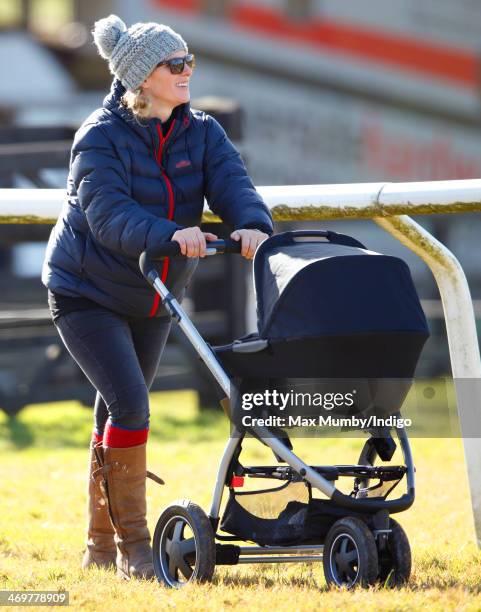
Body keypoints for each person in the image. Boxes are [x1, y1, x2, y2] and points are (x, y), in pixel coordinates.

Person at [41, 14, 273, 580]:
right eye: (176, 64)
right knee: (131, 406)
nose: (188, 70)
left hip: (153, 292)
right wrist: (172, 234)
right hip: (85, 291)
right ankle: (135, 550)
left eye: (189, 59)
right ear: (143, 78)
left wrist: (251, 224)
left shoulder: (202, 130)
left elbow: (233, 183)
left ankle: (99, 546)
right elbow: (107, 217)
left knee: (115, 411)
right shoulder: (98, 136)